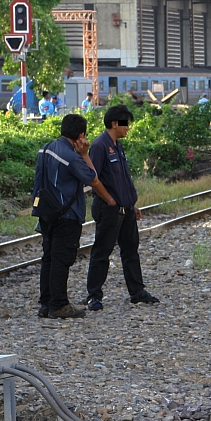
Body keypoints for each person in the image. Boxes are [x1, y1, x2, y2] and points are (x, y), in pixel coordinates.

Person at [32, 114, 117, 319]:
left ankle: (46, 303)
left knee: (49, 258)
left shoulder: (44, 148)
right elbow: (92, 178)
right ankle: (59, 304)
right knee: (62, 260)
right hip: (67, 215)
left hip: (46, 212)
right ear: (81, 135)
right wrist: (85, 154)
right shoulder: (71, 157)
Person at [84, 105, 160, 311]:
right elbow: (93, 178)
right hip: (109, 210)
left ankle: (137, 291)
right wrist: (109, 200)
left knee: (130, 251)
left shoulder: (118, 145)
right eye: (126, 124)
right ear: (115, 123)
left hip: (125, 209)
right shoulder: (100, 146)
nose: (128, 128)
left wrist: (131, 204)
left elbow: (122, 179)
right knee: (102, 251)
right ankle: (94, 295)